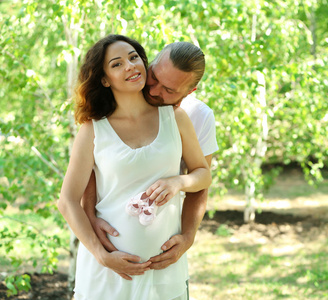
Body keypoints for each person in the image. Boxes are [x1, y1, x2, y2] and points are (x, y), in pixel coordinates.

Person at [58, 34, 212, 300]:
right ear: (104, 79)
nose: (130, 65)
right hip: (107, 276)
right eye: (116, 64)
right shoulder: (93, 129)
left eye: (133, 57)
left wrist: (178, 182)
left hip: (165, 274)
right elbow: (67, 200)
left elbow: (203, 175)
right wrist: (102, 256)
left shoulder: (177, 118)